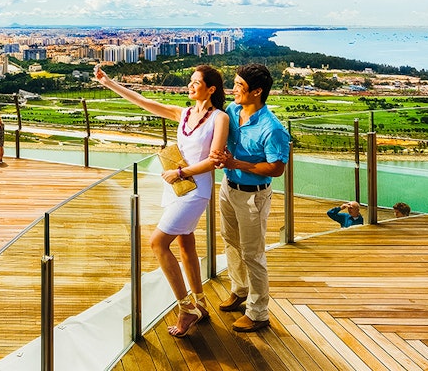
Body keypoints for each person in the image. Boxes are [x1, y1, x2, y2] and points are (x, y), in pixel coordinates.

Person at [94, 63, 229, 337]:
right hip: (177, 188)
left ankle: (185, 307)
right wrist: (109, 83)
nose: (190, 86)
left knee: (157, 241)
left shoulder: (219, 118)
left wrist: (179, 171)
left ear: (211, 89)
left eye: (196, 82)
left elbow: (214, 160)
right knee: (185, 243)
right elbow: (143, 101)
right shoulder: (184, 114)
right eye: (190, 81)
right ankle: (200, 302)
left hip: (195, 189)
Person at [214, 63, 291, 334]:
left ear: (257, 91)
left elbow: (276, 169)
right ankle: (240, 290)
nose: (233, 90)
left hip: (253, 198)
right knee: (230, 242)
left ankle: (258, 313)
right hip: (228, 187)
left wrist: (237, 163)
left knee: (254, 254)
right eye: (234, 83)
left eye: (239, 86)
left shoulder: (273, 129)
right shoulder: (233, 111)